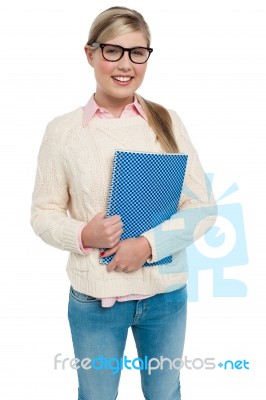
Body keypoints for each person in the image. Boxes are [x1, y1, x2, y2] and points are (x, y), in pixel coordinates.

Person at [31, 6, 217, 400]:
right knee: (96, 395)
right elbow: (42, 214)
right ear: (90, 54)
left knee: (165, 393)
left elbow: (202, 208)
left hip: (165, 297)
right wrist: (82, 232)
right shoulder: (62, 132)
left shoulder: (167, 120)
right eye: (113, 51)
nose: (125, 64)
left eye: (138, 52)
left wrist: (147, 246)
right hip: (95, 300)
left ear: (148, 56)